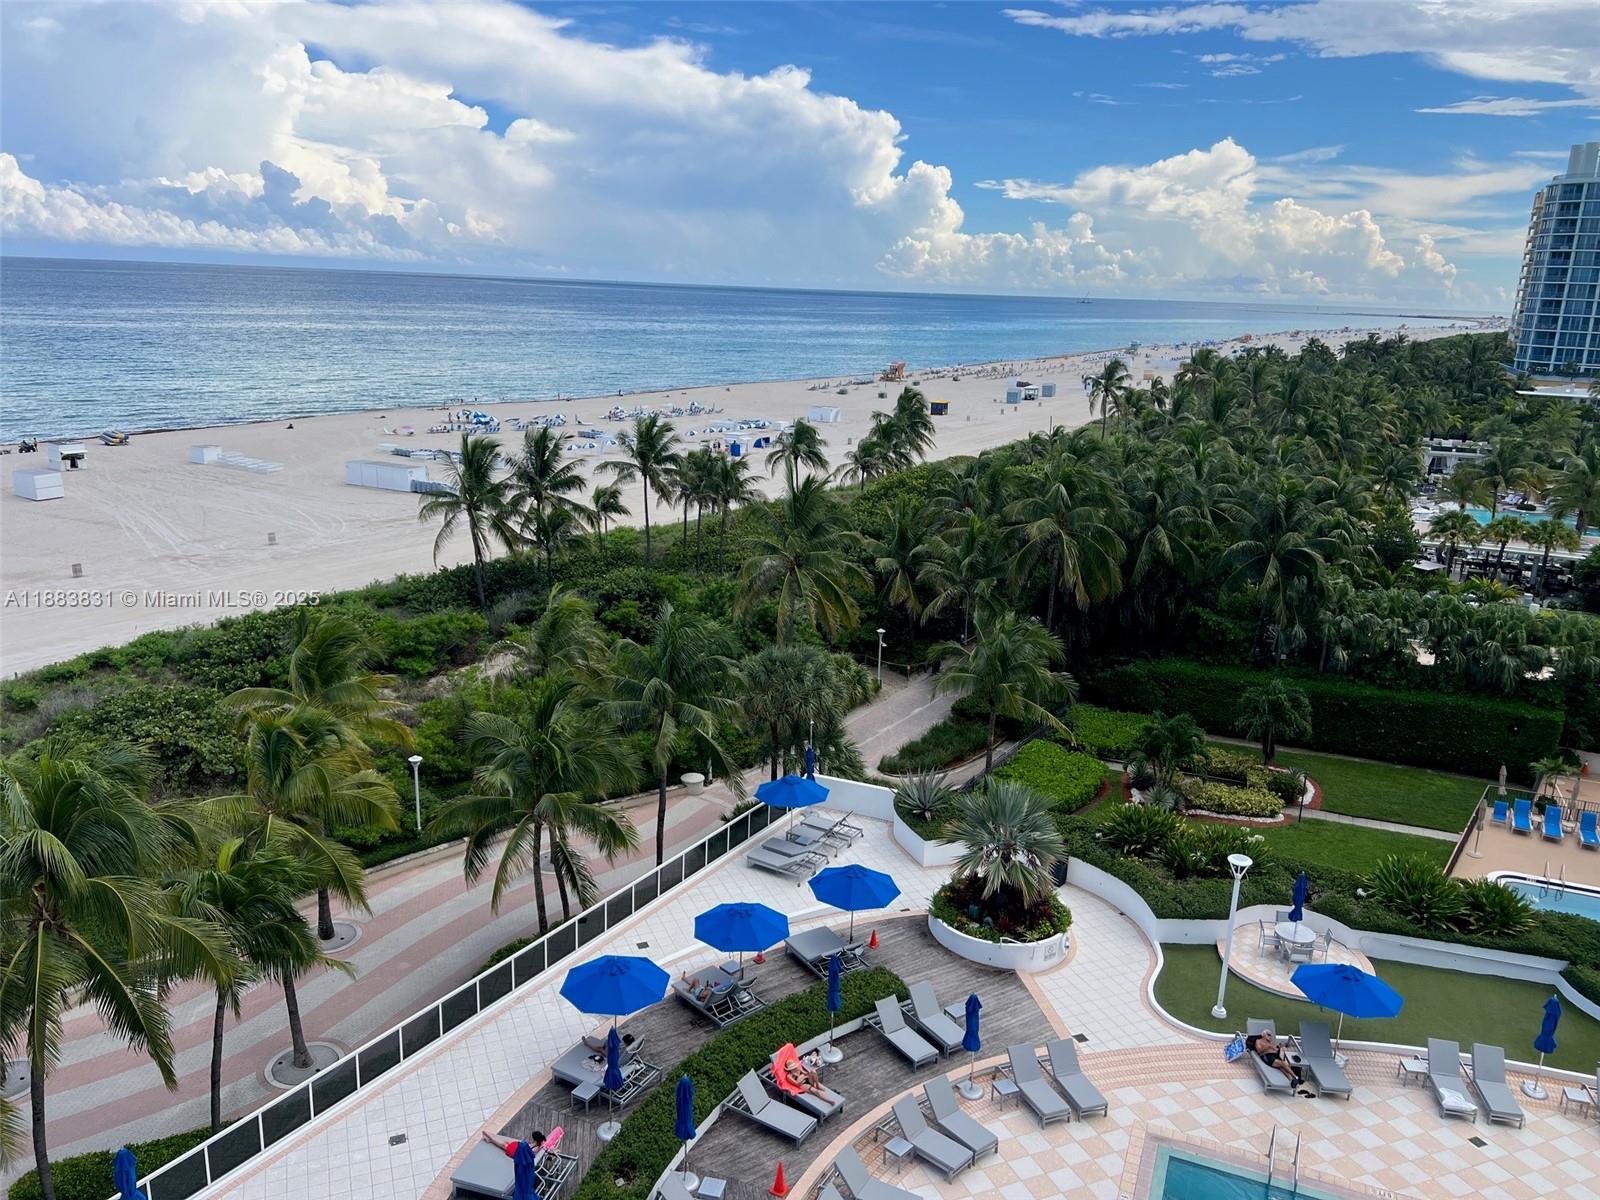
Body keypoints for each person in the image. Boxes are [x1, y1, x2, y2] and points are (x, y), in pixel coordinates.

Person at [481, 1128, 545, 1160]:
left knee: (503, 1143)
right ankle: (489, 1137)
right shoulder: (539, 1145)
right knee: (502, 1144)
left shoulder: (535, 1146)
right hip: (517, 1150)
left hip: (516, 1148)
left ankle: (489, 1136)